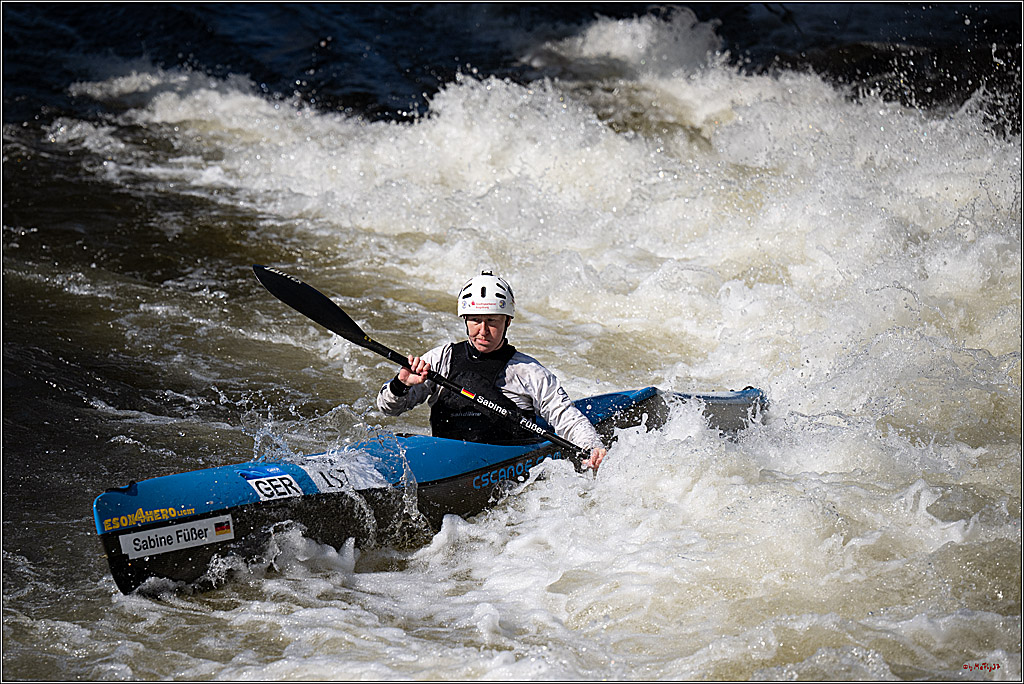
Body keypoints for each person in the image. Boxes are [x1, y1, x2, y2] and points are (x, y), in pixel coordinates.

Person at [376, 271, 607, 471]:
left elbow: (565, 416)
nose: (483, 331)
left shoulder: (528, 371)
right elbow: (388, 408)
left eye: (492, 321)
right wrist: (401, 384)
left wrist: (592, 446)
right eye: (475, 320)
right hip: (446, 463)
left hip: (504, 468)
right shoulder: (440, 360)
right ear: (465, 320)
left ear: (507, 322)